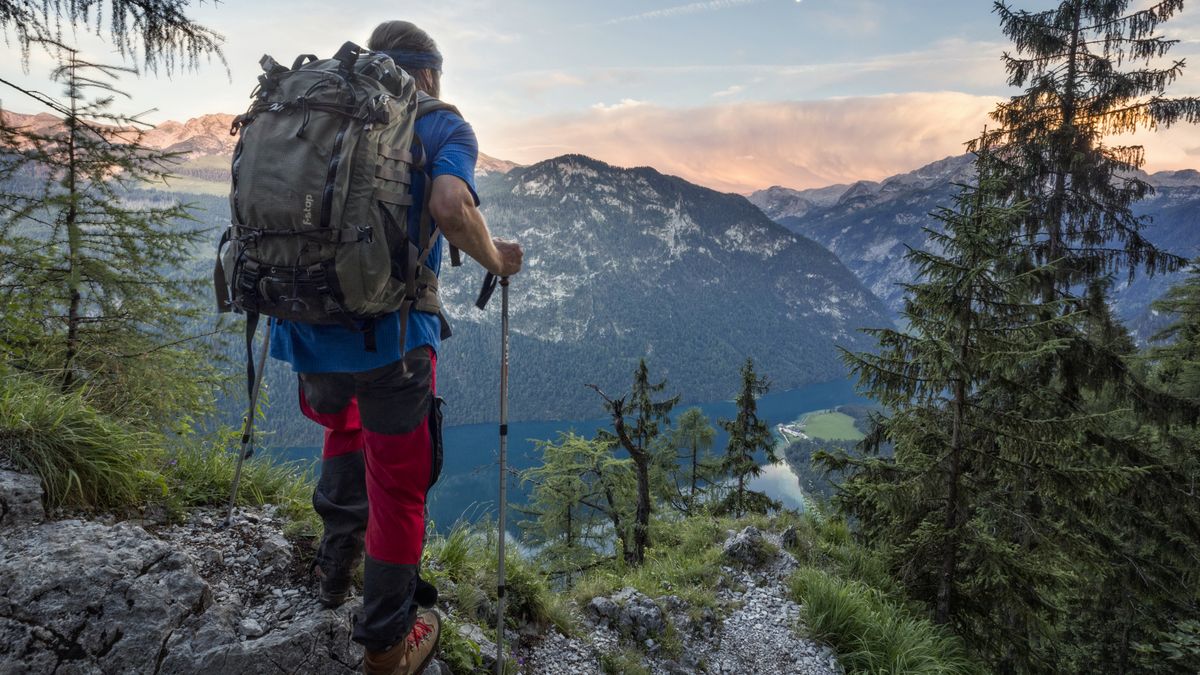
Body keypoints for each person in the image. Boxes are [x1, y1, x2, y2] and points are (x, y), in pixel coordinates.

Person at [267, 20, 523, 675]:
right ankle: (386, 648)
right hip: (392, 342)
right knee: (400, 488)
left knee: (344, 431)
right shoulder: (437, 120)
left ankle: (333, 574)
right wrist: (496, 259)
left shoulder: (313, 111)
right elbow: (448, 205)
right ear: (429, 72)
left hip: (304, 329)